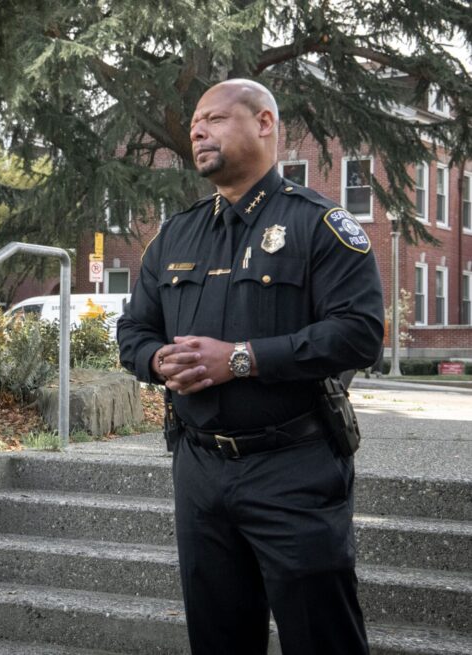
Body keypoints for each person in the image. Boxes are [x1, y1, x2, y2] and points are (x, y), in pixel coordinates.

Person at [117, 79, 383, 654]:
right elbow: (132, 331)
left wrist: (241, 360)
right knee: (218, 640)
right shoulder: (176, 233)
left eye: (213, 119)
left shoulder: (319, 224)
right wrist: (157, 360)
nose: (197, 131)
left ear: (264, 123)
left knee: (322, 638)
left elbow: (360, 334)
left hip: (293, 468)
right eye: (194, 124)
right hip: (199, 469)